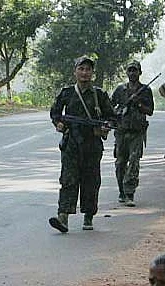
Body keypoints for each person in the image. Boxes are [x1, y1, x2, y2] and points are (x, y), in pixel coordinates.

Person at [48, 55, 115, 233]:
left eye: (88, 69)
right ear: (75, 71)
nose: (85, 73)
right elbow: (55, 112)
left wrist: (104, 128)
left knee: (91, 181)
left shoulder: (99, 95)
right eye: (81, 69)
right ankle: (63, 217)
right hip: (71, 144)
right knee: (68, 180)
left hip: (92, 145)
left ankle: (88, 216)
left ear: (92, 73)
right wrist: (59, 124)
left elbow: (112, 117)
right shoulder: (67, 93)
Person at [110, 60, 154, 207]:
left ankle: (130, 193)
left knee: (134, 162)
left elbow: (150, 111)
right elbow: (110, 107)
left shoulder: (145, 90)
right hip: (121, 131)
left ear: (140, 72)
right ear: (127, 72)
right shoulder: (120, 90)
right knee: (120, 163)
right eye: (130, 70)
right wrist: (116, 114)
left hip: (137, 132)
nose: (132, 73)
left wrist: (138, 103)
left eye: (135, 70)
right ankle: (122, 191)